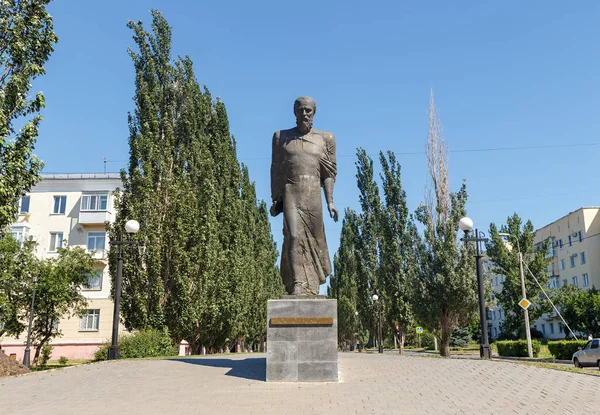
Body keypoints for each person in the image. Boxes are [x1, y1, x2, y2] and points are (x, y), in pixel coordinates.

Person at [270, 96, 338, 295]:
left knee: (316, 240)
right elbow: (275, 169)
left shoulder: (326, 139)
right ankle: (298, 283)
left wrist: (330, 202)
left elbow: (329, 174)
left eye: (308, 110)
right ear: (294, 112)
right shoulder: (280, 137)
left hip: (312, 194)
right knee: (293, 236)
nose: (304, 114)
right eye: (301, 110)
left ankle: (313, 285)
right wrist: (276, 198)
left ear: (314, 113)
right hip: (291, 191)